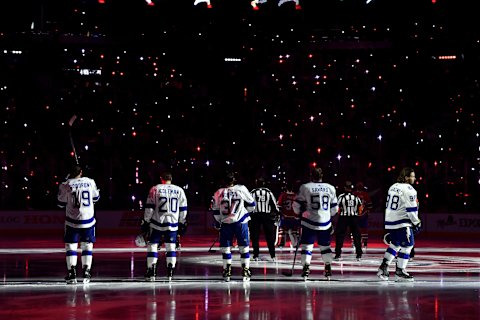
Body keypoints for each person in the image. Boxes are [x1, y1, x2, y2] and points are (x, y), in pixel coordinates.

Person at [57, 165, 100, 284]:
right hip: (88, 219)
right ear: (81, 172)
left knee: (71, 247)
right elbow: (96, 198)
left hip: (72, 221)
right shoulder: (90, 182)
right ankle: (86, 272)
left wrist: (66, 181)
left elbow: (60, 203)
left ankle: (72, 274)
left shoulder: (66, 184)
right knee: (87, 246)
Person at [293, 167, 338, 280]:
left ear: (311, 176)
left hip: (309, 222)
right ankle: (327, 267)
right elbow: (334, 209)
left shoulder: (305, 187)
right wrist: (327, 215)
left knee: (307, 246)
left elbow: (296, 205)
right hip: (325, 222)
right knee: (325, 247)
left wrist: (300, 213)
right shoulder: (330, 188)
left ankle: (306, 268)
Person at [377, 167, 421, 282]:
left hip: (391, 220)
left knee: (395, 245)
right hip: (402, 221)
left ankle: (383, 267)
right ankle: (400, 271)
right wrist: (417, 222)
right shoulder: (409, 189)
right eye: (412, 176)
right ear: (406, 177)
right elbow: (411, 210)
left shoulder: (393, 186)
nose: (414, 178)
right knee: (408, 245)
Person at [142, 172, 188, 282]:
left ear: (161, 178)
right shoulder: (179, 190)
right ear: (171, 179)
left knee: (152, 246)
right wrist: (182, 221)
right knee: (171, 247)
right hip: (172, 223)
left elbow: (149, 208)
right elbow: (183, 208)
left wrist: (146, 220)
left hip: (157, 222)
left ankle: (151, 270)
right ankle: (170, 272)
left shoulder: (155, 189)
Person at [211, 171, 256, 282]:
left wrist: (219, 221)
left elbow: (215, 210)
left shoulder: (218, 192)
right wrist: (246, 213)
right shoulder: (241, 189)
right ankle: (245, 270)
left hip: (226, 223)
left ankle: (227, 271)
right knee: (244, 248)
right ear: (234, 180)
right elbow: (252, 204)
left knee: (226, 249)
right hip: (240, 221)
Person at [250, 177, 280, 261]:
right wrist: (277, 213)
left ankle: (256, 255)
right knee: (269, 236)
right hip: (266, 215)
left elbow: (248, 203)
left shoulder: (252, 192)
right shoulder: (268, 192)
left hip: (255, 216)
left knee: (255, 236)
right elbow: (274, 204)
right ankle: (272, 255)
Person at [334, 181, 364, 261]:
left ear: (344, 188)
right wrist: (356, 213)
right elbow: (360, 208)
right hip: (353, 217)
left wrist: (341, 213)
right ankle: (359, 254)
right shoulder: (356, 197)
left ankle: (338, 254)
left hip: (344, 218)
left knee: (340, 235)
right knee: (356, 236)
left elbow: (337, 208)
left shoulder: (341, 197)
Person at [276, 181, 300, 249]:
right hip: (294, 217)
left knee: (282, 231)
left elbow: (279, 206)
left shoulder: (283, 195)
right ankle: (295, 243)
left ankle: (281, 244)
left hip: (285, 217)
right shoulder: (296, 196)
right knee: (294, 232)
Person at [353, 181, 373, 249]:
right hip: (364, 214)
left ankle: (354, 242)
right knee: (364, 229)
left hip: (355, 215)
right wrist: (368, 210)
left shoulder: (354, 194)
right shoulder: (366, 194)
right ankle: (365, 243)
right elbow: (370, 206)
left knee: (354, 229)